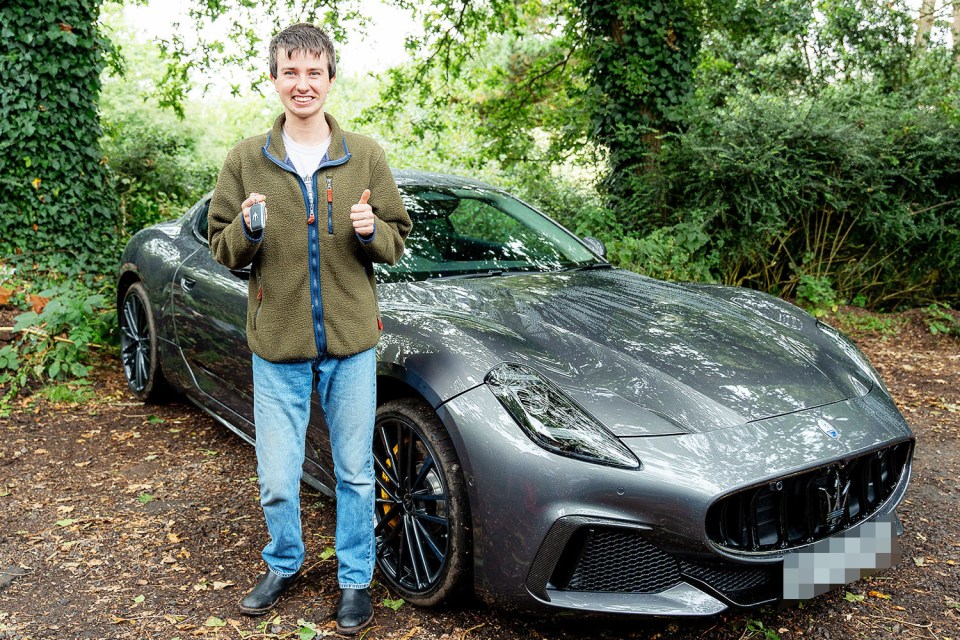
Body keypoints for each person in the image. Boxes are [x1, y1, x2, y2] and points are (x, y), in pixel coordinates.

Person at [207, 22, 411, 636]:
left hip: (349, 344)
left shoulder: (365, 155)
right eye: (289, 72)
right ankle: (285, 561)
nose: (302, 84)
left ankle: (354, 579)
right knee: (276, 473)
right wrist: (249, 230)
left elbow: (397, 241)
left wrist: (373, 230)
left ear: (329, 79)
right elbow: (222, 247)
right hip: (278, 346)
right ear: (274, 80)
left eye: (313, 72)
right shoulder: (247, 159)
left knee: (353, 471)